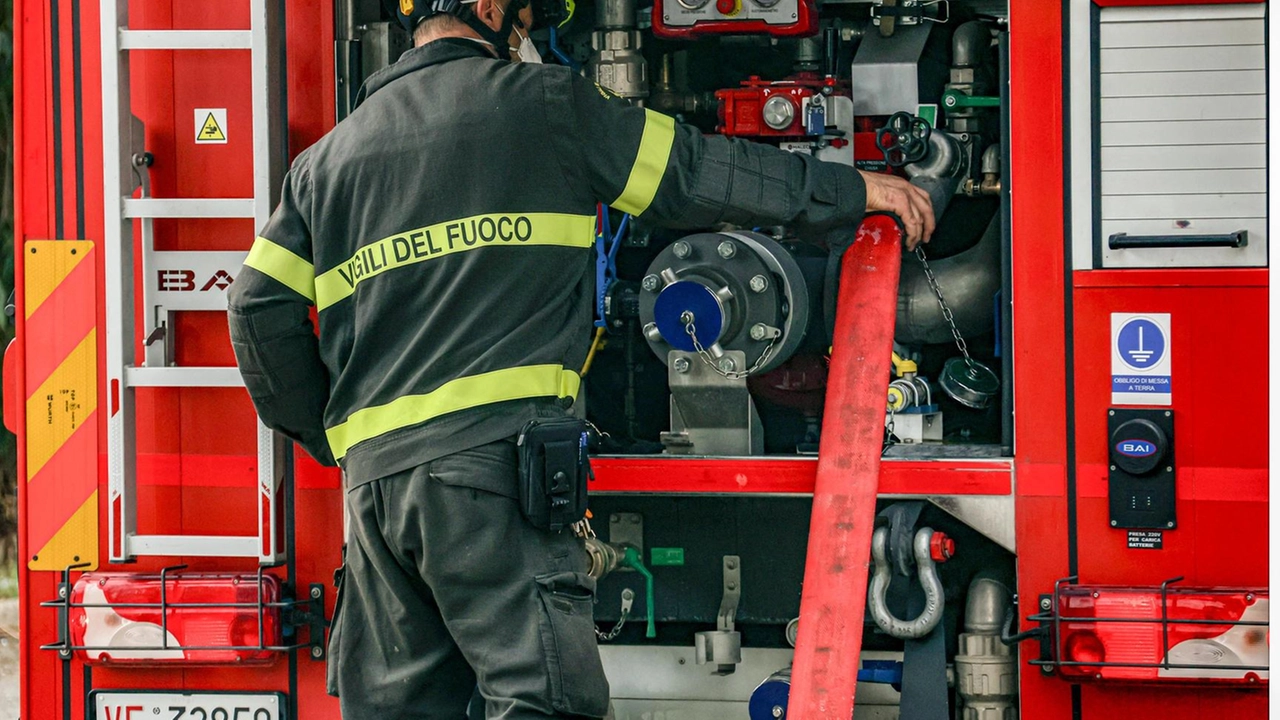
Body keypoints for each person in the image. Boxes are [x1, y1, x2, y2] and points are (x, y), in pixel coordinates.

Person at [226, 0, 934, 715]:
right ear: (490, 9)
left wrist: (335, 438)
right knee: (544, 702)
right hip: (489, 476)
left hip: (376, 498)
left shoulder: (326, 161)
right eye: (527, 17)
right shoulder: (545, 105)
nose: (528, 32)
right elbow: (692, 171)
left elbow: (254, 309)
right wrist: (847, 191)